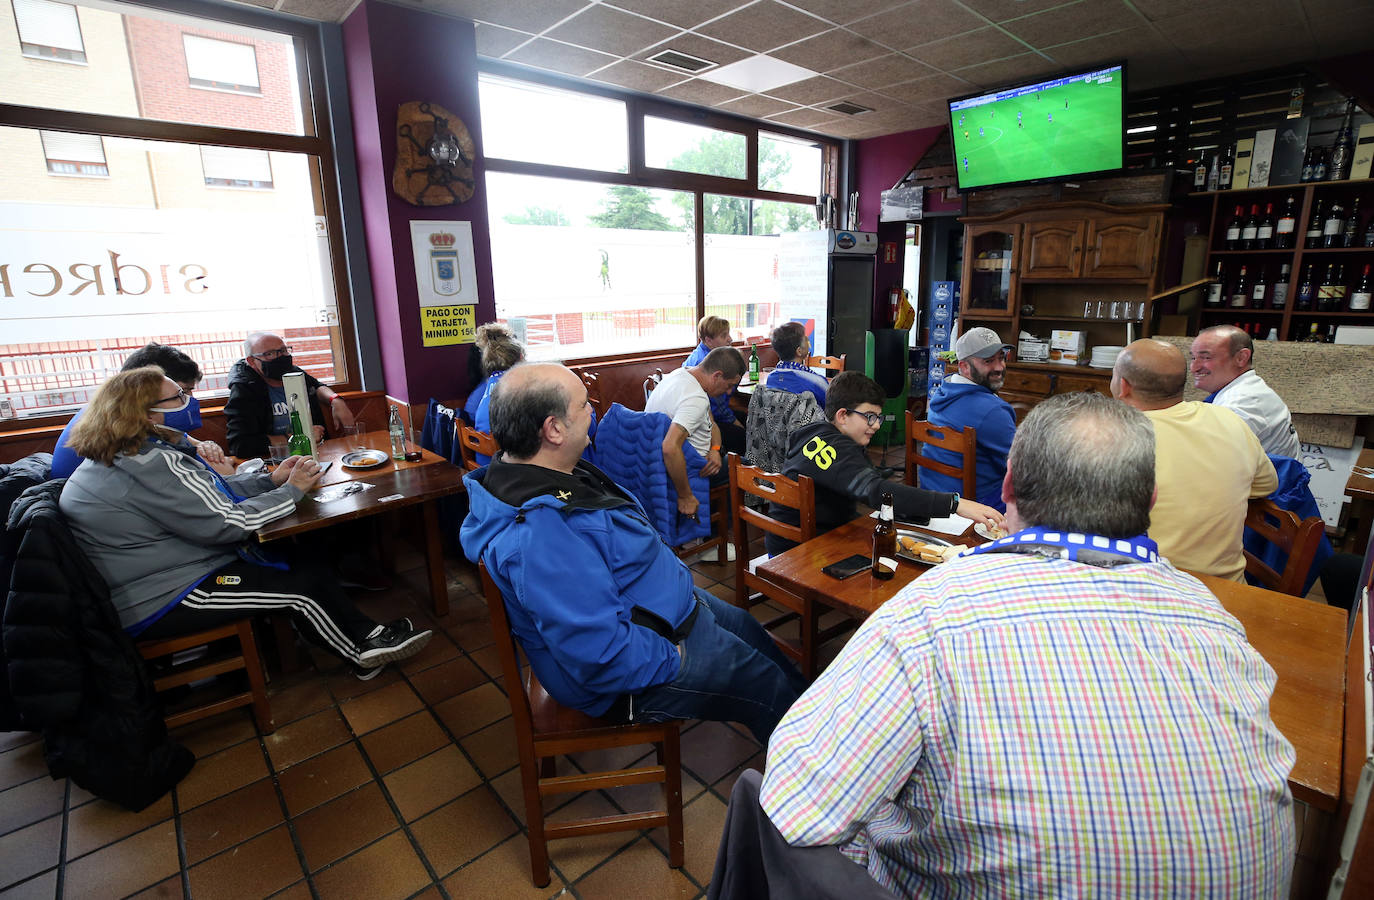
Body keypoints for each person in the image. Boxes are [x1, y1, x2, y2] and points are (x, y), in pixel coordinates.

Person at [751, 392, 1295, 897]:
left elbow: (794, 805)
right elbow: (873, 490)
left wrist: (893, 820)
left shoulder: (932, 613)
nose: (875, 426)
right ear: (1150, 498)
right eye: (868, 417)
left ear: (1007, 487)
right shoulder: (1215, 618)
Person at [459, 363, 804, 743]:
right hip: (642, 660)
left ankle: (819, 722)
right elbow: (603, 655)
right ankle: (814, 779)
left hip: (663, 607)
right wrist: (678, 655)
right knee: (766, 685)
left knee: (751, 630)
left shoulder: (550, 471)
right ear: (553, 429)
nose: (594, 410)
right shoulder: (537, 536)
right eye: (583, 406)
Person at [59, 367, 431, 678]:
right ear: (144, 414)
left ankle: (369, 633)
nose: (190, 400)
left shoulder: (133, 452)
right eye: (178, 397)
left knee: (301, 559)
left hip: (167, 568)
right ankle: (361, 654)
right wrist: (292, 492)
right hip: (163, 593)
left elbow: (208, 491)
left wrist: (271, 480)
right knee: (299, 587)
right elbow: (228, 524)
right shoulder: (147, 462)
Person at [767, 372, 1003, 555]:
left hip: (786, 539)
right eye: (869, 416)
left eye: (878, 417)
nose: (877, 425)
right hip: (801, 551)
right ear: (842, 415)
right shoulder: (839, 449)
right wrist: (954, 504)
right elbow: (878, 492)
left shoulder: (812, 431)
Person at [1112, 338, 1277, 581]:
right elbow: (1267, 485)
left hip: (1150, 586)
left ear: (1123, 386)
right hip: (1228, 588)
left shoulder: (1115, 437)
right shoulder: (1229, 420)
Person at [51, 342, 228, 479]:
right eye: (180, 394)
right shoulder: (122, 432)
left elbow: (188, 442)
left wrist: (206, 446)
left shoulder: (114, 413)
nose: (189, 400)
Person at [921, 326, 1016, 512]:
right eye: (988, 361)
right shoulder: (993, 411)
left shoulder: (942, 393)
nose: (999, 367)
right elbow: (1021, 465)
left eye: (1001, 357)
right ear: (964, 367)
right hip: (973, 504)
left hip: (931, 495)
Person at [645, 346, 745, 519]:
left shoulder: (681, 374)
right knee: (743, 466)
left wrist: (714, 448)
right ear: (717, 376)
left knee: (729, 453)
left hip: (657, 461)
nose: (729, 392)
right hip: (689, 469)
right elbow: (669, 447)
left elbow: (712, 423)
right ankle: (720, 532)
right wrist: (685, 496)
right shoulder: (695, 399)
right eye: (729, 386)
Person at [224, 331, 355, 459]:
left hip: (317, 454)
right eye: (269, 354)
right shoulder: (244, 388)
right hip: (274, 462)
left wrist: (336, 400)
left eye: (283, 350)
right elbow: (240, 444)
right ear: (252, 361)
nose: (280, 357)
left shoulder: (293, 372)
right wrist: (297, 438)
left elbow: (316, 386)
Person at [1191, 324, 1301, 458]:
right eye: (1193, 358)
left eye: (1206, 357)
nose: (1194, 368)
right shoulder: (1248, 389)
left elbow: (1205, 464)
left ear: (1241, 358)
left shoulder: (1239, 405)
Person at [684, 315, 744, 457]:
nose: (730, 339)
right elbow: (718, 408)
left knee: (747, 416)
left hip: (707, 416)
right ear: (708, 340)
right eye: (724, 336)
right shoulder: (707, 366)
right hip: (703, 424)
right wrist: (738, 425)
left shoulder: (698, 353)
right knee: (743, 435)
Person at [469, 322, 526, 465]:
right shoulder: (516, 390)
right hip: (506, 474)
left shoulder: (488, 387)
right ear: (520, 358)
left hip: (486, 471)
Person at [763, 322, 827, 407]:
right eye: (806, 339)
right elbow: (832, 409)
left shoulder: (771, 378)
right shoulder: (817, 382)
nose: (808, 341)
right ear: (799, 351)